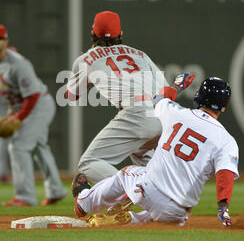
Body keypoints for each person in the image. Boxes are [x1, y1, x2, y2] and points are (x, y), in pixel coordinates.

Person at [72, 77, 239, 228]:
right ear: (224, 107)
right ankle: (130, 219)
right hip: (178, 212)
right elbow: (225, 175)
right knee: (158, 217)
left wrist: (177, 86)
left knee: (125, 174)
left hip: (147, 189)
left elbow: (159, 99)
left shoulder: (176, 113)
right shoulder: (227, 140)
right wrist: (223, 208)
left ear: (199, 96)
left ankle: (83, 202)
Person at [67, 10, 179, 184]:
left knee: (88, 163)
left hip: (136, 113)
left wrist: (89, 78)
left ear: (92, 33)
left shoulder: (85, 59)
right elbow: (166, 90)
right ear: (120, 34)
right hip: (161, 114)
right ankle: (162, 197)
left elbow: (72, 96)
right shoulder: (139, 54)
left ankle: (128, 188)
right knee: (141, 152)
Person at [0, 24, 67, 206]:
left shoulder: (19, 64)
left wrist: (18, 118)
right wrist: (12, 112)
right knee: (39, 147)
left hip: (39, 106)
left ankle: (25, 197)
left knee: (18, 146)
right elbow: (12, 93)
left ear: (5, 41)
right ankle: (56, 190)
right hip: (28, 106)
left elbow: (32, 96)